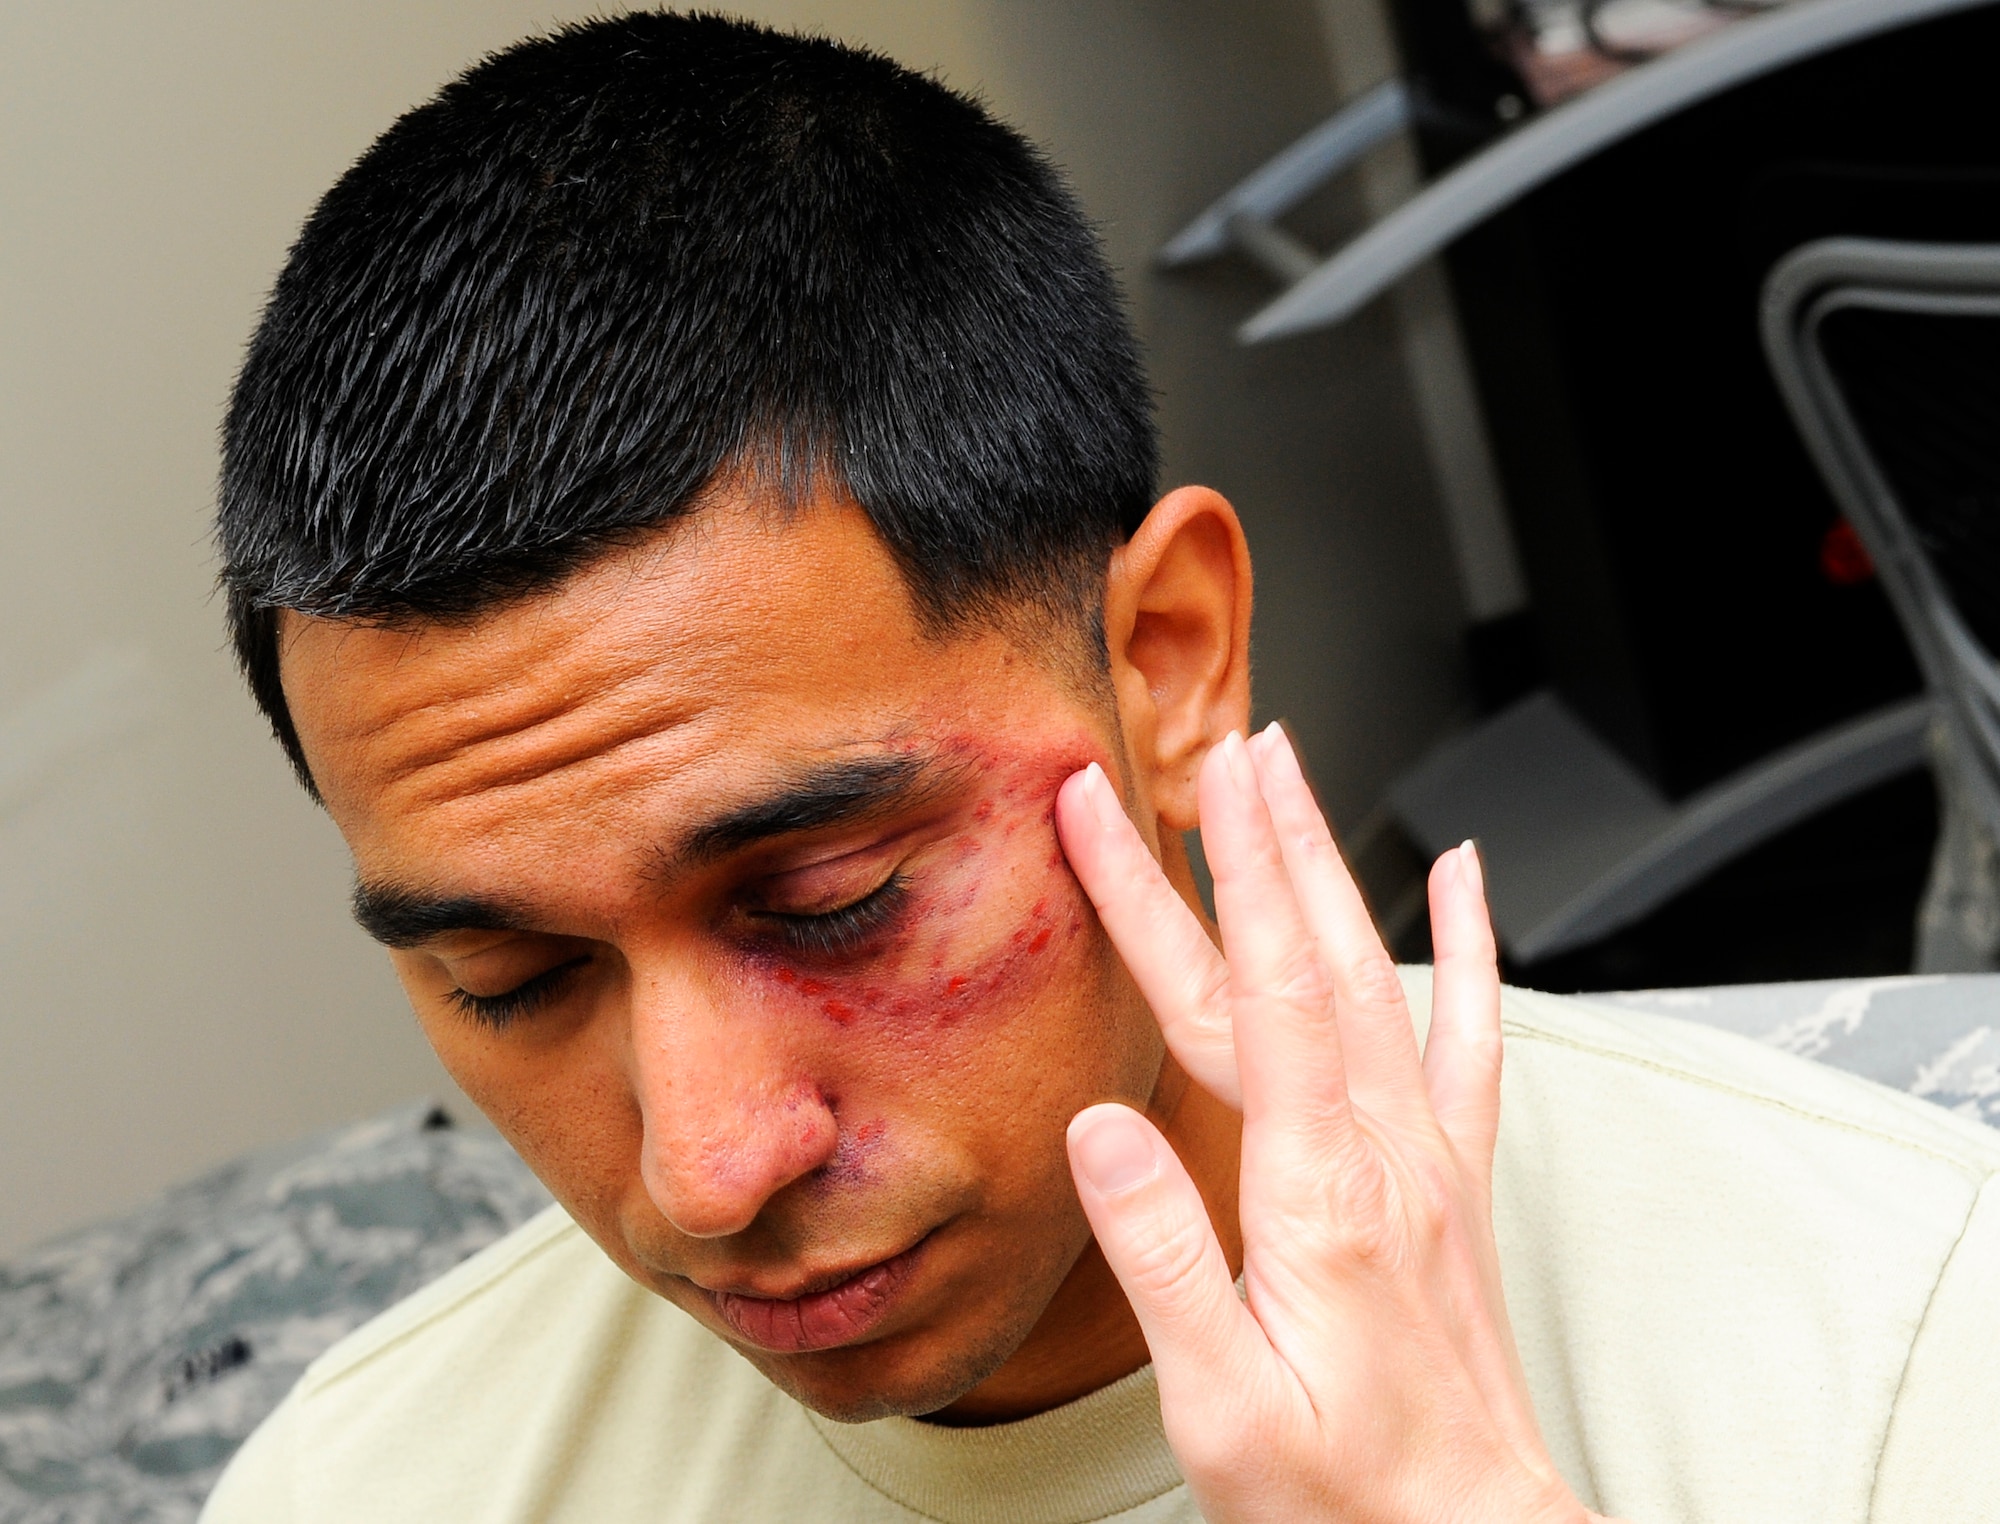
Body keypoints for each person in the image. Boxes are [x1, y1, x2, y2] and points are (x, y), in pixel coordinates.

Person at [201, 13, 2000, 1522]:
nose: (704, 1169)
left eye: (831, 900)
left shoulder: (1905, 1354)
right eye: (506, 979)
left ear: (1170, 665)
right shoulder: (361, 1489)